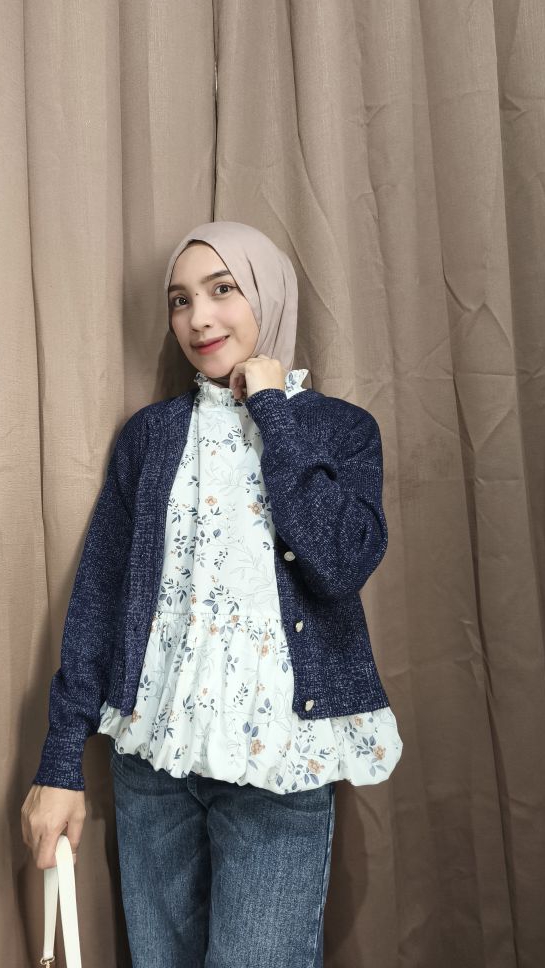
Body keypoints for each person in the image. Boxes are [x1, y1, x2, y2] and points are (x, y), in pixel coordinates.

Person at [22, 221, 403, 967]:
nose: (199, 318)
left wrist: (273, 411)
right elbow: (99, 599)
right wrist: (60, 764)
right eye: (180, 299)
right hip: (152, 768)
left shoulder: (340, 430)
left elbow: (338, 562)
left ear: (268, 295)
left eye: (222, 290)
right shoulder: (150, 436)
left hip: (279, 769)